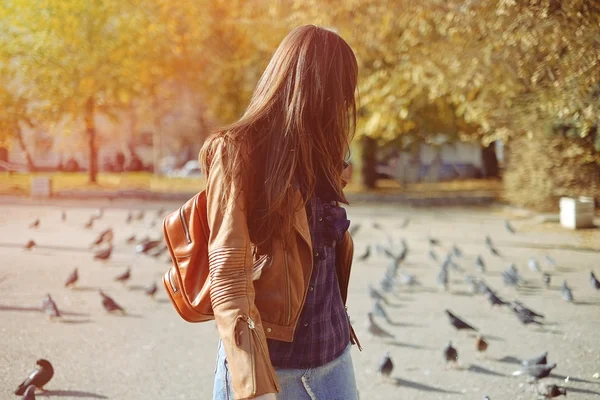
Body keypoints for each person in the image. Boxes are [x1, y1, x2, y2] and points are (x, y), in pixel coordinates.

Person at [199, 25, 361, 400]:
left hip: (334, 361)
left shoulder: (323, 151)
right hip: (271, 368)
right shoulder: (237, 151)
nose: (344, 104)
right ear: (312, 87)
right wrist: (252, 382)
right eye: (338, 91)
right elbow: (228, 272)